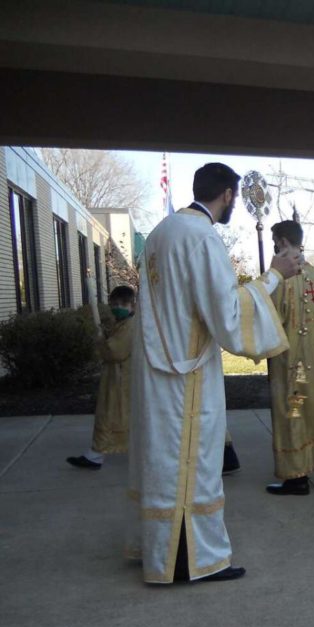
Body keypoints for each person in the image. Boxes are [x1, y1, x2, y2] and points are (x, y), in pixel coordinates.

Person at [127, 162, 299, 584]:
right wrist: (274, 277)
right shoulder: (201, 237)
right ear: (226, 195)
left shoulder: (160, 233)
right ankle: (194, 561)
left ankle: (159, 550)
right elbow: (226, 313)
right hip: (187, 372)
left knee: (162, 460)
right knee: (193, 462)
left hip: (154, 367)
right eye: (234, 199)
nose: (233, 207)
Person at [265, 220, 314, 495]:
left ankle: (296, 475)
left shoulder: (281, 276)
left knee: (294, 410)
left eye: (275, 241)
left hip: (292, 362)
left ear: (282, 242)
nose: (274, 247)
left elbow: (269, 317)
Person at [67, 285, 136, 470]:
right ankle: (96, 454)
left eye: (123, 304)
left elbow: (115, 352)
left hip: (121, 380)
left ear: (132, 305)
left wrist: (101, 340)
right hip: (116, 377)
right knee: (114, 415)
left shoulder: (130, 326)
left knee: (109, 415)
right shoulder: (123, 324)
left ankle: (95, 454)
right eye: (114, 304)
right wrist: (104, 334)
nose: (117, 307)